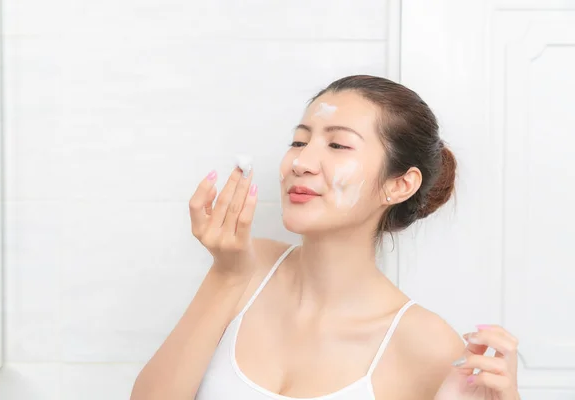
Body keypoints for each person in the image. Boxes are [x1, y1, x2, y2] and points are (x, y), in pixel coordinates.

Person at [130, 75, 521, 400]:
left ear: (400, 184)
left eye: (337, 145)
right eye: (299, 141)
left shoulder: (425, 344)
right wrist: (226, 274)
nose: (300, 162)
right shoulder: (246, 270)